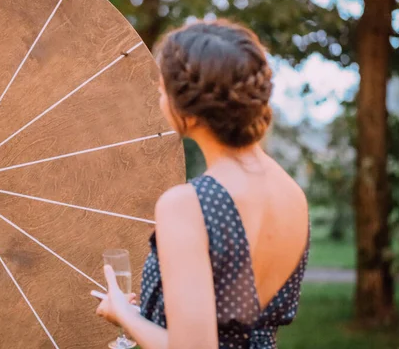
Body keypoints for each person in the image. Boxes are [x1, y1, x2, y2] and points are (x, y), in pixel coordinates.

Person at [94, 19, 310, 348]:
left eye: (162, 90)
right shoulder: (292, 194)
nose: (160, 98)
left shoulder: (187, 204)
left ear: (189, 112)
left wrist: (125, 314)